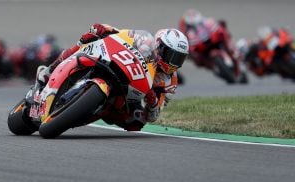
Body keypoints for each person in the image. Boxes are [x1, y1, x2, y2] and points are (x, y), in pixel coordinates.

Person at [35, 23, 189, 131]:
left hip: (130, 96)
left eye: (179, 58)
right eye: (171, 55)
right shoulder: (145, 41)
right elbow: (122, 34)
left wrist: (152, 101)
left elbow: (153, 116)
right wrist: (103, 29)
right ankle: (50, 70)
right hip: (117, 64)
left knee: (136, 122)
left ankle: (88, 111)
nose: (173, 62)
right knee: (89, 37)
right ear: (159, 46)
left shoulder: (170, 81)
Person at [178, 9, 240, 75]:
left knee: (228, 46)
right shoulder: (186, 31)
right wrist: (191, 52)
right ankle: (213, 68)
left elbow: (220, 29)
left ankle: (235, 58)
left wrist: (221, 31)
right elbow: (186, 44)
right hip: (201, 48)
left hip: (214, 41)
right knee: (195, 59)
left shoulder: (208, 21)